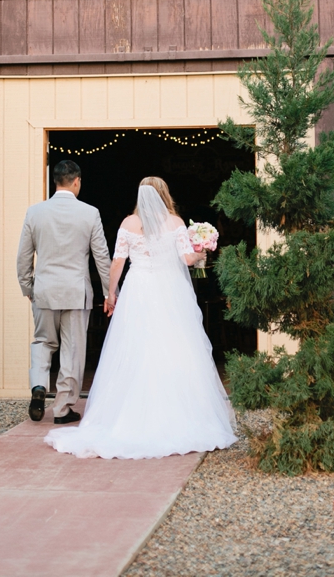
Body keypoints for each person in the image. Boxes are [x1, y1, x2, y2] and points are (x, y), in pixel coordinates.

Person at [44, 176, 237, 459]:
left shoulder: (128, 223)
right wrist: (202, 251)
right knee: (175, 345)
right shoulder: (175, 222)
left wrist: (111, 293)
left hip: (138, 288)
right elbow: (186, 259)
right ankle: (181, 414)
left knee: (135, 346)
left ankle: (128, 415)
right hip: (170, 289)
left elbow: (117, 262)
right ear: (164, 194)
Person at [16, 159, 111, 424]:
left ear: (55, 181)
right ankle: (62, 409)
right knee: (72, 350)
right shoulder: (90, 213)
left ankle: (38, 386)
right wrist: (109, 292)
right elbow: (101, 257)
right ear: (77, 181)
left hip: (45, 290)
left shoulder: (35, 212)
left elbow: (23, 257)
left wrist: (27, 286)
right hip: (76, 292)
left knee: (43, 341)